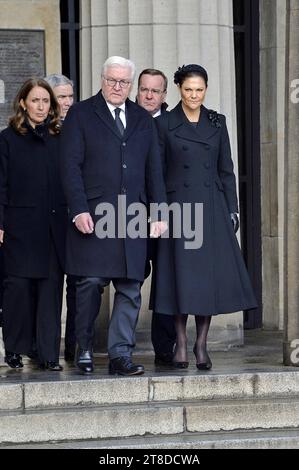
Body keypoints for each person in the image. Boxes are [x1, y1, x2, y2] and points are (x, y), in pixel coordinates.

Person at [60, 56, 167, 376]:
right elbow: (69, 167)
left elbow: (154, 171)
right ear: (102, 79)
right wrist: (78, 209)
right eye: (112, 81)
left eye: (123, 82)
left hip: (132, 216)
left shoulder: (141, 119)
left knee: (130, 285)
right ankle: (85, 347)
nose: (117, 87)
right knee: (90, 282)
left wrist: (159, 212)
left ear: (130, 85)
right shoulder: (80, 114)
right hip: (94, 215)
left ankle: (121, 354)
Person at [151, 64, 257, 370]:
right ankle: (181, 343)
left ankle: (201, 343)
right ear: (179, 90)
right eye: (188, 89)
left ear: (205, 90)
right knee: (181, 277)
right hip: (178, 209)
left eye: (199, 89)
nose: (193, 95)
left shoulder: (217, 121)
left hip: (211, 208)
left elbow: (227, 170)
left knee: (206, 279)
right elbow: (156, 172)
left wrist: (232, 209)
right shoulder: (165, 123)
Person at [0, 78, 68, 370]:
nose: (41, 107)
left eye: (45, 101)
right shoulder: (7, 138)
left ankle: (47, 353)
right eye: (35, 100)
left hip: (53, 228)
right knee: (17, 289)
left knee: (50, 290)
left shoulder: (60, 137)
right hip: (19, 226)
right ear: (23, 103)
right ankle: (15, 349)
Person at [136, 69, 176, 366]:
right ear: (138, 91)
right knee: (130, 278)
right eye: (144, 90)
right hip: (131, 215)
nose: (149, 96)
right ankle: (119, 344)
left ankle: (165, 348)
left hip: (168, 215)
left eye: (155, 91)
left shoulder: (174, 125)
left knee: (166, 279)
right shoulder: (126, 122)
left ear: (164, 95)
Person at [45, 73, 76, 362]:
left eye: (69, 96)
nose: (67, 102)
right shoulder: (41, 132)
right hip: (49, 221)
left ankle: (76, 348)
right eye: (61, 97)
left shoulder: (82, 126)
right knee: (50, 286)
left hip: (79, 219)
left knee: (79, 285)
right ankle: (47, 350)